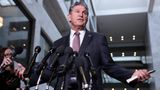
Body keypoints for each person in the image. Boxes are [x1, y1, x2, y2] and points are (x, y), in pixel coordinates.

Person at [17, 1, 151, 90]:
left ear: (87, 18)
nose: (81, 14)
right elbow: (49, 72)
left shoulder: (98, 39)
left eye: (85, 12)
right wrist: (28, 76)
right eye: (77, 11)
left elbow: (109, 66)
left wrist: (132, 73)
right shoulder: (59, 44)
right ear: (69, 17)